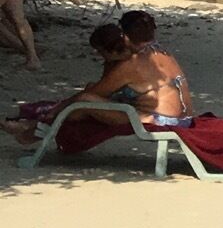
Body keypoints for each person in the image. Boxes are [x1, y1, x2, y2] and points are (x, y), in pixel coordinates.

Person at [5, 23, 152, 147]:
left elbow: (96, 93)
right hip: (134, 110)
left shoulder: (126, 68)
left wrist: (58, 108)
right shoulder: (131, 60)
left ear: (111, 50)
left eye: (100, 51)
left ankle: (38, 126)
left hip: (140, 116)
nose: (98, 55)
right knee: (84, 98)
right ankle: (40, 125)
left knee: (82, 102)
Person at [119, 9, 195, 125]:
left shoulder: (135, 63)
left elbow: (100, 92)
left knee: (87, 100)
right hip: (186, 119)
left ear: (125, 36)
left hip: (165, 120)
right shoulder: (165, 55)